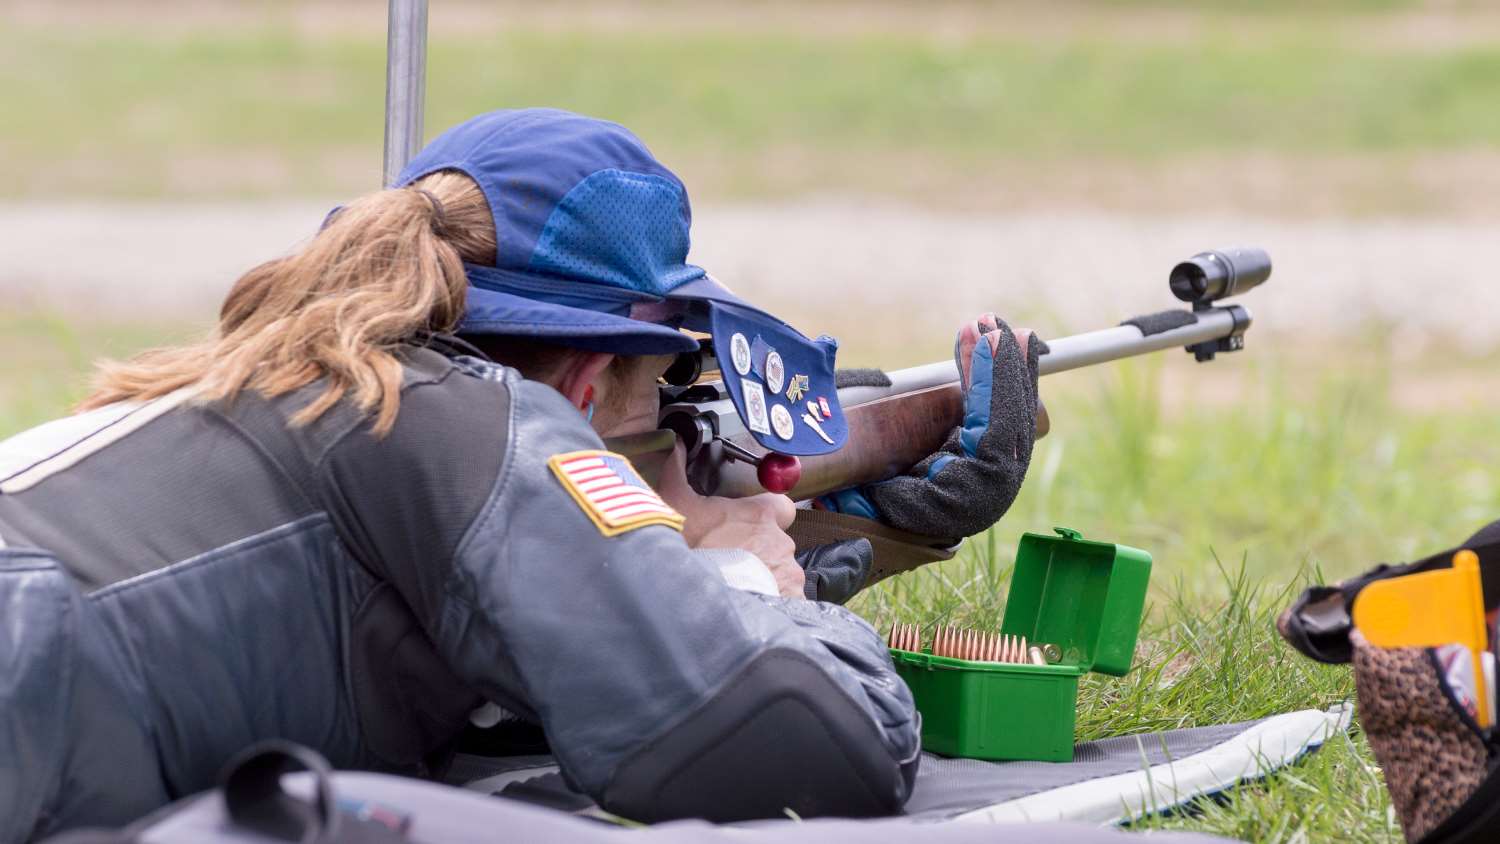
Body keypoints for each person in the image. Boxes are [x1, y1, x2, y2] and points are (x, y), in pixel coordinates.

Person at [0, 108, 1041, 842]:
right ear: (588, 381)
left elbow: (493, 662)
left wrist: (799, 549)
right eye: (668, 377)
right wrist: (748, 591)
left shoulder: (315, 384)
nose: (676, 409)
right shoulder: (473, 421)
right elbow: (784, 749)